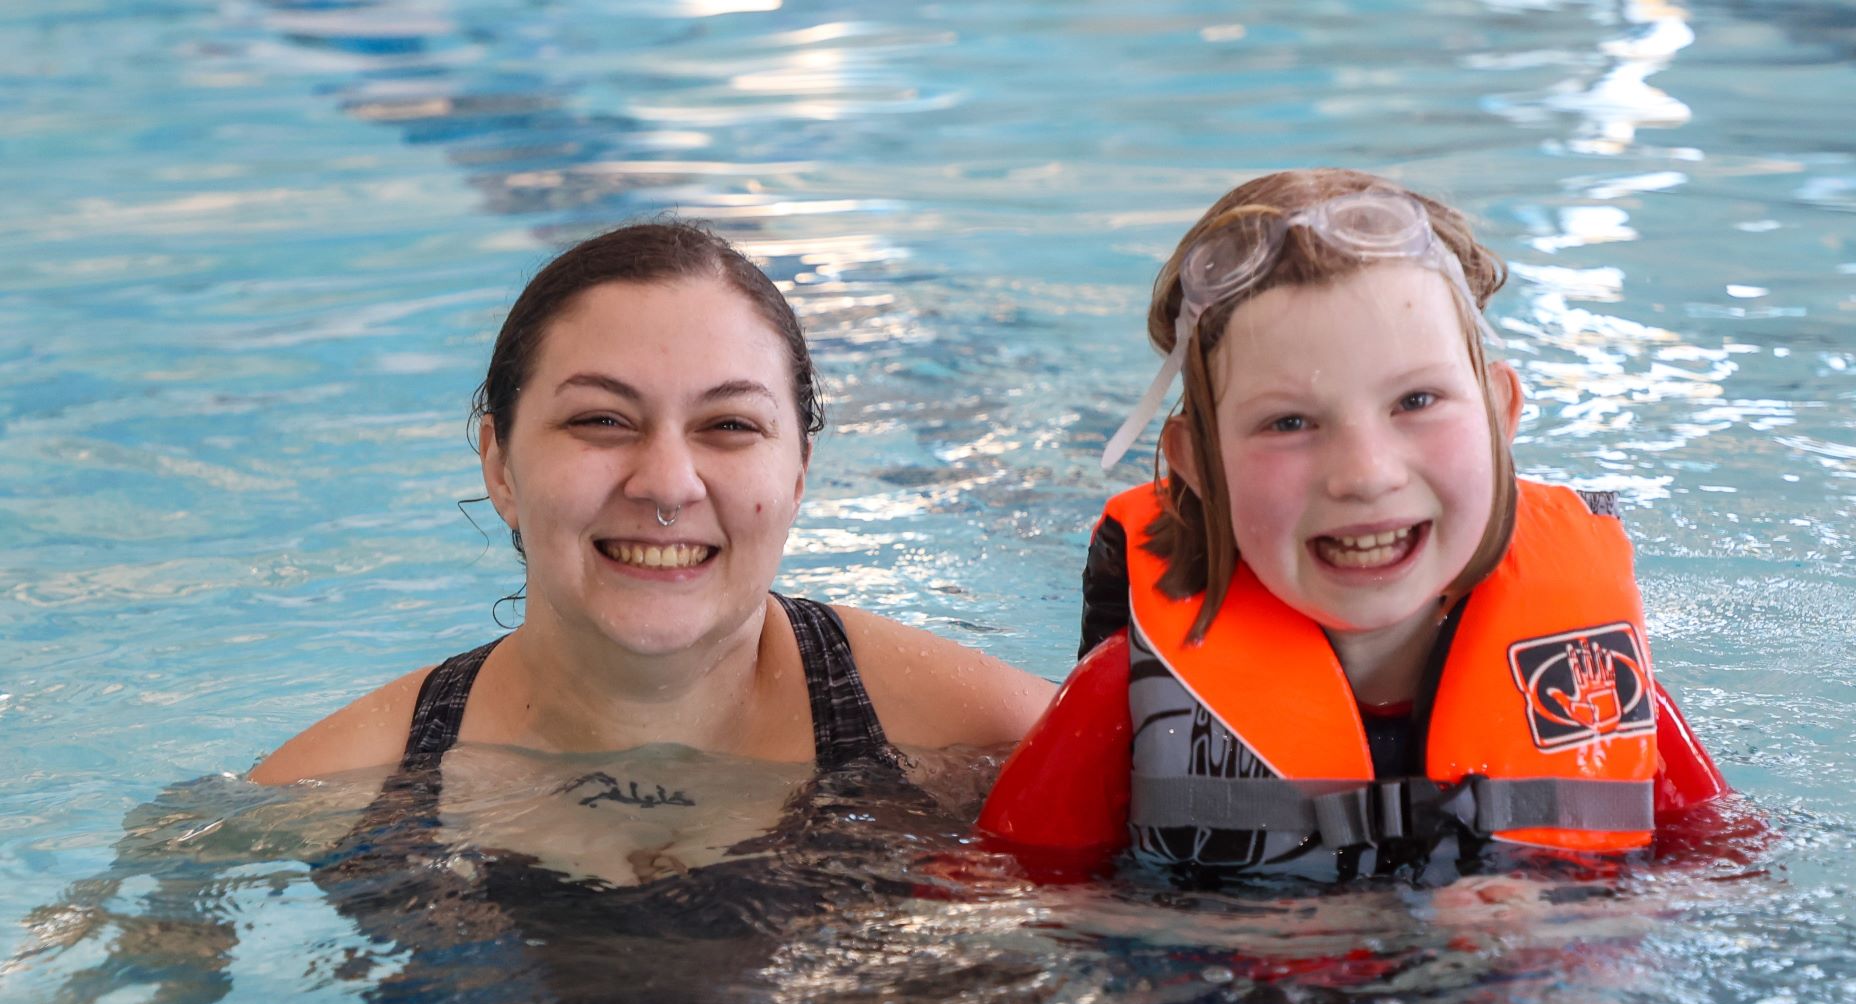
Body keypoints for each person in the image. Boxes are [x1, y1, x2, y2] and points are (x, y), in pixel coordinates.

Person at [980, 168, 1729, 881]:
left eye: (1416, 402)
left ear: (1500, 415)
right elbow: (1003, 904)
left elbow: (1726, 879)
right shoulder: (1121, 698)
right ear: (1198, 466)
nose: (1366, 474)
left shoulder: (1588, 685)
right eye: (1289, 422)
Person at [251, 219, 1051, 879]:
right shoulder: (333, 790)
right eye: (601, 421)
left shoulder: (995, 737)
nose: (667, 485)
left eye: (729, 425)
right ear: (499, 465)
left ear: (798, 473)